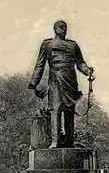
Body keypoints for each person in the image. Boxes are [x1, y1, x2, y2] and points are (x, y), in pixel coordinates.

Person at [28, 20, 95, 148]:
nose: (63, 29)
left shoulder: (73, 45)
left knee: (69, 111)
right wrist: (34, 83)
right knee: (56, 110)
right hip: (55, 81)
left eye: (65, 27)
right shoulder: (47, 44)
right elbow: (40, 64)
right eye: (60, 27)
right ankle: (55, 141)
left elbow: (80, 63)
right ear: (55, 29)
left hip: (70, 82)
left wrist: (87, 71)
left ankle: (69, 142)